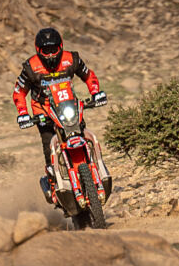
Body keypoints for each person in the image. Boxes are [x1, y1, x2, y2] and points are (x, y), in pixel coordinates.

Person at [12, 28, 107, 196]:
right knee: (48, 143)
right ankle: (52, 180)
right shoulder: (31, 67)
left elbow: (89, 76)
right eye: (46, 51)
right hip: (43, 111)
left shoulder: (71, 60)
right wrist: (23, 113)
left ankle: (96, 165)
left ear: (61, 47)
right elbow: (19, 92)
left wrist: (95, 92)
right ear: (38, 50)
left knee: (83, 132)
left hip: (69, 108)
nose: (50, 55)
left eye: (53, 49)